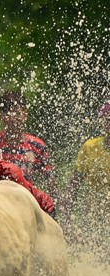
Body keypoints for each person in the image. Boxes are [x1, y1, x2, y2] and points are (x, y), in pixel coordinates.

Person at [60, 102, 110, 252]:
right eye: (108, 120)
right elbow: (74, 185)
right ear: (103, 121)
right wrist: (66, 219)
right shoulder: (90, 147)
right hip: (94, 220)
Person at [0, 91, 53, 194]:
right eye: (9, 113)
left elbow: (50, 182)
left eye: (18, 113)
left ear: (25, 115)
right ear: (1, 116)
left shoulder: (37, 146)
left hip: (25, 197)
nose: (13, 117)